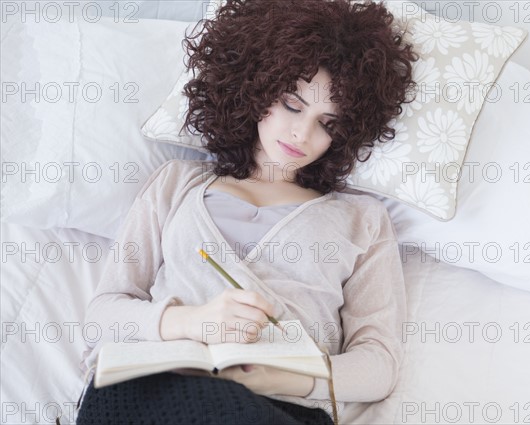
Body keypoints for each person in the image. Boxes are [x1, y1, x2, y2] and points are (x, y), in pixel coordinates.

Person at [76, 0, 417, 424]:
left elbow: (378, 362)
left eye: (327, 123)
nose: (302, 133)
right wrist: (193, 321)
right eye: (292, 104)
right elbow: (103, 313)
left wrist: (286, 380)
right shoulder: (176, 183)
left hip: (277, 407)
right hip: (152, 384)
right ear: (256, 88)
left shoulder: (361, 219)